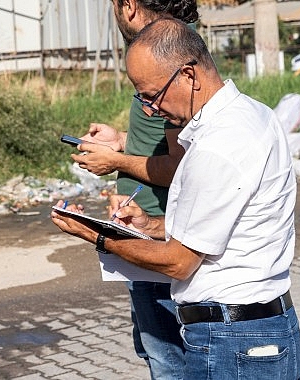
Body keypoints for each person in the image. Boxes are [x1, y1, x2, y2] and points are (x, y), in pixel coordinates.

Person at [52, 18, 300, 378]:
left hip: (233, 342)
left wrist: (98, 236)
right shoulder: (253, 115)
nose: (149, 110)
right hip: (256, 331)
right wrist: (148, 226)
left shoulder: (218, 146)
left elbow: (178, 263)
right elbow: (215, 228)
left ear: (189, 75)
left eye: (152, 95)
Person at [71, 1, 197, 378]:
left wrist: (116, 163)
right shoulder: (166, 53)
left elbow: (181, 165)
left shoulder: (163, 61)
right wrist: (123, 141)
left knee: (169, 358)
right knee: (157, 349)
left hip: (159, 233)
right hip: (147, 227)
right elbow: (169, 142)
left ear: (127, 6)